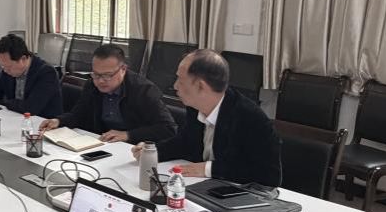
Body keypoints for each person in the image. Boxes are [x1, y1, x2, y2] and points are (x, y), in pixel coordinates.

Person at [132, 49, 281, 186]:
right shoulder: (194, 107)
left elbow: (268, 176)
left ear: (201, 86)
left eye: (180, 80)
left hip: (238, 195)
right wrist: (153, 151)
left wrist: (208, 169)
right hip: (201, 186)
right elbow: (184, 143)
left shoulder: (250, 118)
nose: (175, 86)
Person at [39, 44, 176, 144]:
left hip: (131, 148)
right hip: (101, 143)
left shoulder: (143, 90)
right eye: (96, 74)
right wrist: (58, 121)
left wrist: (127, 135)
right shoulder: (92, 85)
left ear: (123, 69)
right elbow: (79, 114)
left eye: (107, 75)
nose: (100, 81)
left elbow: (168, 129)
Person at [0, 34, 62, 118]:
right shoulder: (7, 69)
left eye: (8, 67)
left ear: (23, 59)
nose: (5, 70)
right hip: (16, 117)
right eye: (3, 66)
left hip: (43, 123)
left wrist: (5, 102)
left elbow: (30, 108)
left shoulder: (46, 73)